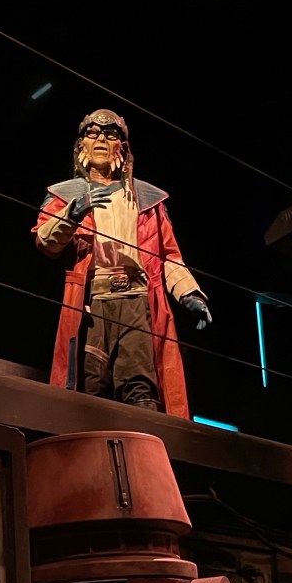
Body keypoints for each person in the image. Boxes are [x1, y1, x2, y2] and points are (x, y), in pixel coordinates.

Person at [32, 108, 212, 418]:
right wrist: (72, 214)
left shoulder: (147, 199)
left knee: (140, 389)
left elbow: (168, 256)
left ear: (122, 146)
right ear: (81, 144)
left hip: (136, 301)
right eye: (92, 133)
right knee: (91, 386)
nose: (101, 139)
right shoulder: (65, 196)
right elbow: (45, 242)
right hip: (93, 303)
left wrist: (189, 293)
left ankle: (143, 445)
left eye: (110, 134)